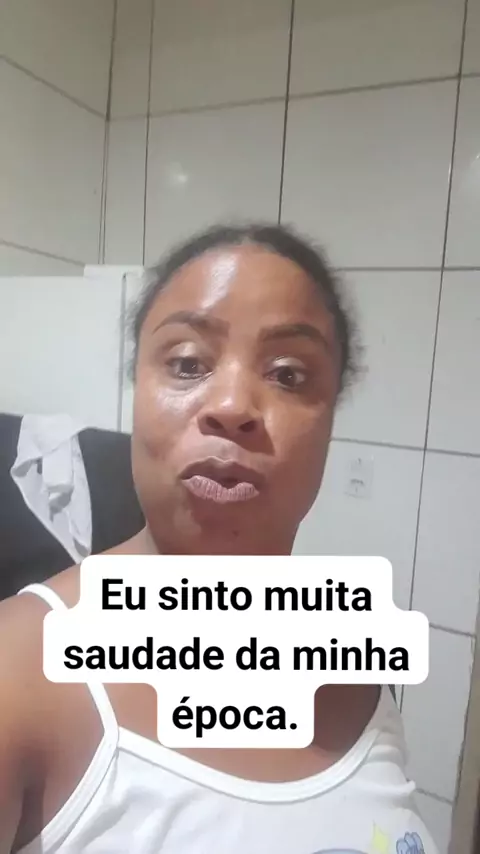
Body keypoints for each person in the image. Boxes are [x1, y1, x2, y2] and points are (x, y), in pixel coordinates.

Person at [0, 224, 436, 854]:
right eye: (187, 364)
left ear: (330, 420)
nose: (232, 406)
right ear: (138, 389)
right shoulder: (18, 674)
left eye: (288, 374)